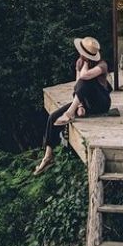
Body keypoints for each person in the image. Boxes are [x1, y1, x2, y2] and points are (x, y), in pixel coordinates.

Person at [34, 37, 112, 176]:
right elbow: (77, 86)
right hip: (85, 100)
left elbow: (85, 77)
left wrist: (86, 64)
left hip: (101, 103)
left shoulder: (102, 65)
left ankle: (70, 113)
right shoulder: (79, 62)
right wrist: (80, 105)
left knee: (86, 80)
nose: (80, 54)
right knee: (53, 117)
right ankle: (48, 155)